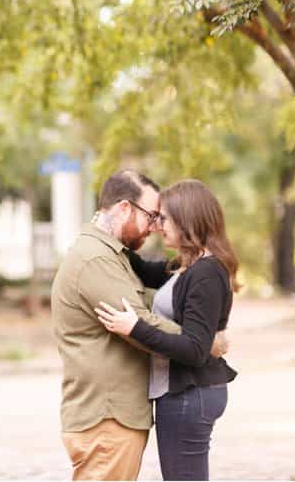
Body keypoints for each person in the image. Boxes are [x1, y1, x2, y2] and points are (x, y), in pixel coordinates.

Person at [51, 169, 227, 481]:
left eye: (163, 218)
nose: (155, 227)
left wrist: (197, 341)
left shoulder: (115, 256)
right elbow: (139, 320)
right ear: (123, 209)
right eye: (152, 215)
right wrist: (204, 342)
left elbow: (146, 290)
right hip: (107, 415)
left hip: (124, 412)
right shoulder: (98, 259)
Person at [95, 179, 239, 480]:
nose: (158, 225)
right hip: (184, 392)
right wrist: (106, 230)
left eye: (164, 218)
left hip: (190, 392)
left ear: (187, 220)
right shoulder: (186, 265)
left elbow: (195, 349)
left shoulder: (206, 273)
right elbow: (143, 269)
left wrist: (135, 328)